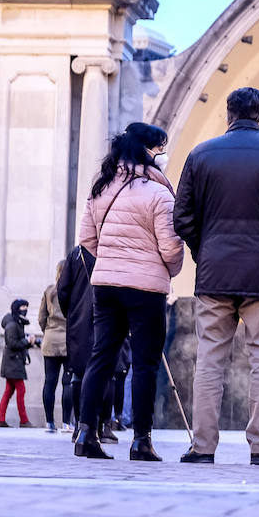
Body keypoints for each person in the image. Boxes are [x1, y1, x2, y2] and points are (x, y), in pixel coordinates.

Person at [174, 87, 259, 467]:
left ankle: (203, 447)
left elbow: (182, 216)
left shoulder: (201, 154)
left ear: (228, 115)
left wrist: (205, 252)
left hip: (215, 274)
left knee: (209, 360)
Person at [72, 122, 183, 462]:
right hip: (146, 287)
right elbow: (171, 247)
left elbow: (86, 241)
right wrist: (169, 269)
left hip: (106, 285)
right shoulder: (159, 194)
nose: (162, 155)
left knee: (101, 357)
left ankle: (86, 432)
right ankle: (141, 440)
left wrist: (108, 261)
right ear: (148, 151)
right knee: (146, 364)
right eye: (159, 149)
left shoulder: (101, 187)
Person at [57, 240, 101, 440]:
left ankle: (80, 427)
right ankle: (100, 426)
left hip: (79, 322)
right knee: (104, 374)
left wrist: (72, 314)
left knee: (78, 375)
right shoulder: (112, 249)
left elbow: (62, 289)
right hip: (104, 318)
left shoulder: (76, 254)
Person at [39, 264, 70, 433]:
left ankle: (49, 422)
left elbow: (41, 317)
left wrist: (48, 331)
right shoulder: (73, 291)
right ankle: (67, 422)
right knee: (68, 382)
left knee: (49, 382)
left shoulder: (49, 291)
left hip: (50, 339)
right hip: (68, 340)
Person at [0, 299, 36, 428]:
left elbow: (18, 343)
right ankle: (24, 421)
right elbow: (13, 344)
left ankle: (0, 419)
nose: (25, 309)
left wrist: (29, 342)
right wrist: (27, 341)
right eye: (22, 306)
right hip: (13, 363)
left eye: (26, 306)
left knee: (9, 391)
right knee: (20, 390)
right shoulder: (12, 325)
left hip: (14, 362)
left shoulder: (17, 322)